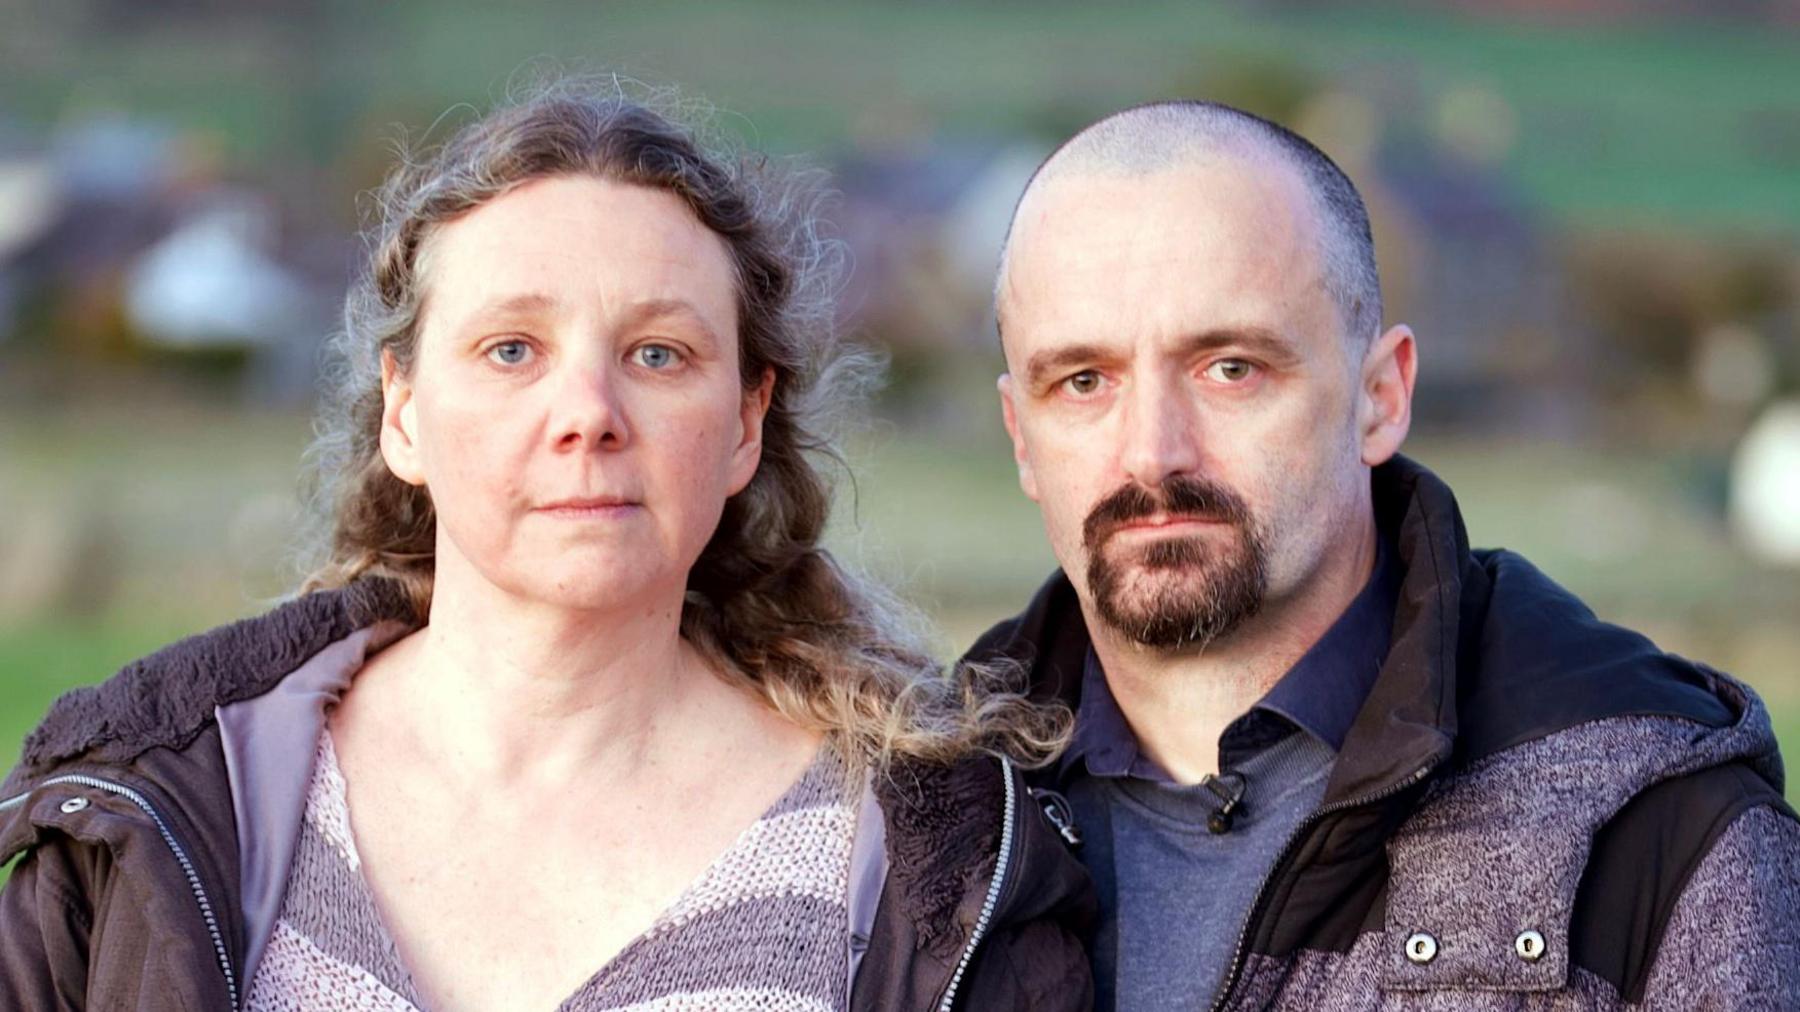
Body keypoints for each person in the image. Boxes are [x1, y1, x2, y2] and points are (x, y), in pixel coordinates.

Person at [0, 82, 1094, 1012]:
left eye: (660, 354)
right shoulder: (160, 807)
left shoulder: (926, 865)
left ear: (746, 424)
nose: (588, 411)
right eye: (511, 347)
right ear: (405, 411)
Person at [968, 99, 1800, 1011]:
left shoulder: (1659, 837)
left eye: (1230, 367)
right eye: (1083, 382)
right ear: (1021, 435)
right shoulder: (909, 820)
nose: (1153, 450)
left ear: (1381, 396)